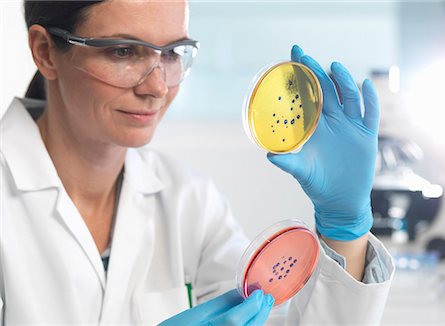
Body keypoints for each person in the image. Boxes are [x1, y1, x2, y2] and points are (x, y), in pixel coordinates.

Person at [0, 0, 394, 324]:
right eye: (123, 51)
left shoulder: (188, 201)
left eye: (173, 53)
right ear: (45, 51)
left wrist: (345, 229)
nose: (156, 87)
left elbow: (269, 316)